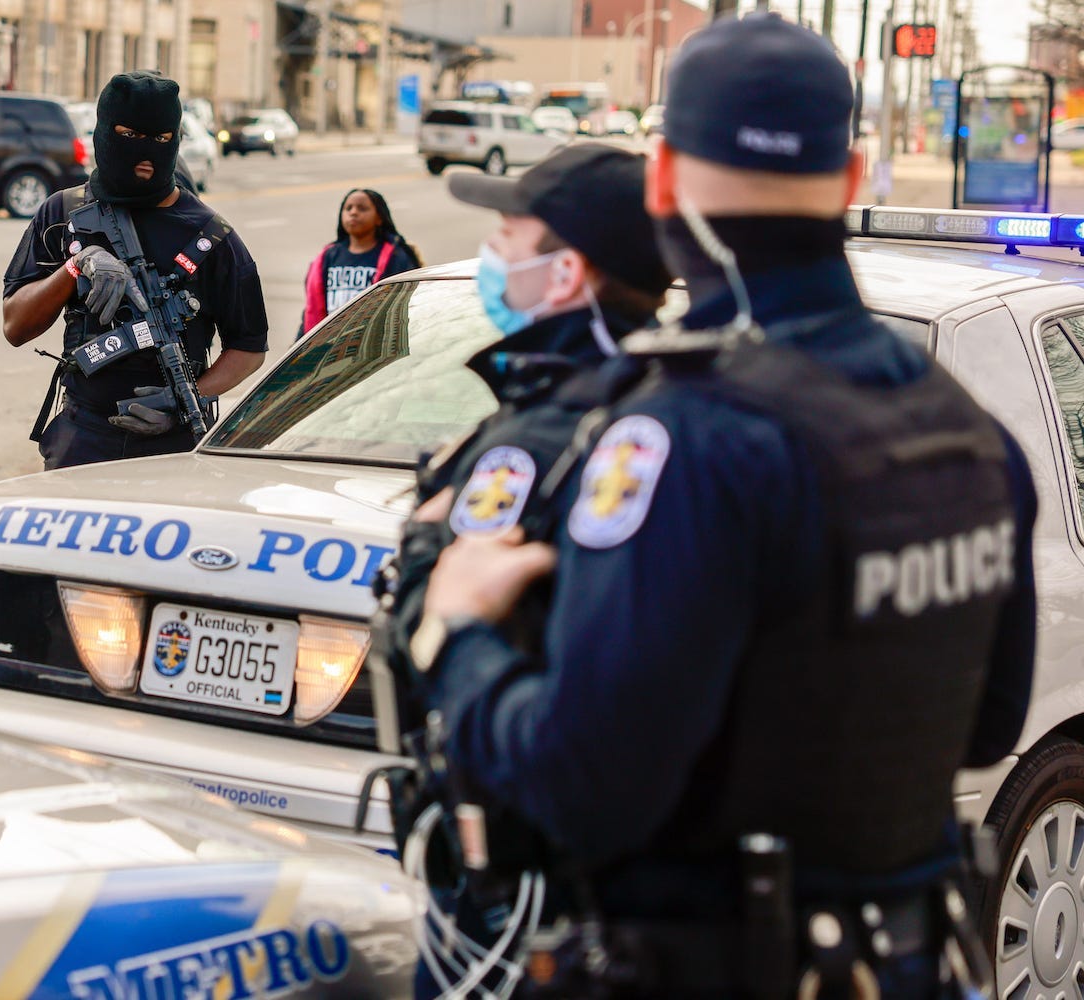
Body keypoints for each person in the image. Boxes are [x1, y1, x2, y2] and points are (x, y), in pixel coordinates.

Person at [415, 15, 1037, 996]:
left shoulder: (687, 440)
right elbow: (984, 726)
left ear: (662, 183)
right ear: (851, 178)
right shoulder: (964, 430)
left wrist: (455, 632)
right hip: (902, 960)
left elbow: (581, 785)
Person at [374, 144, 670, 760]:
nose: (492, 252)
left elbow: (433, 645)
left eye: (508, 234)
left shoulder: (539, 439)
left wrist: (425, 548)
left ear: (564, 274)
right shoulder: (653, 395)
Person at [3, 71, 268, 469]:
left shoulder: (211, 236)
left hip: (173, 444)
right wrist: (75, 267)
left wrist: (186, 401)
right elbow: (15, 327)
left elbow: (249, 348)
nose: (147, 153)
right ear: (104, 133)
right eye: (129, 135)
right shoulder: (62, 213)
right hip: (83, 435)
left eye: (162, 140)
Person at [299, 187, 421, 337]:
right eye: (348, 208)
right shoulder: (328, 256)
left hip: (374, 343)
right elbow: (312, 308)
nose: (353, 212)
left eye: (362, 208)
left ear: (379, 218)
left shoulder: (395, 257)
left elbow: (406, 307)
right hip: (330, 346)